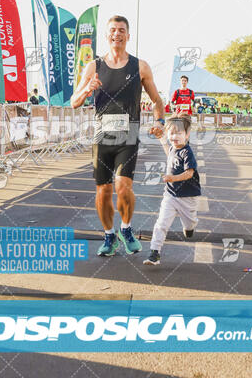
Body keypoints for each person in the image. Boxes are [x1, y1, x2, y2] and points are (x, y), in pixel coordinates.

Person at [71, 15, 165, 257]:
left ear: (128, 35)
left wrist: (159, 121)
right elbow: (74, 102)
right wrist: (86, 89)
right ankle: (109, 235)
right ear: (107, 35)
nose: (117, 34)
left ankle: (126, 228)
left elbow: (157, 100)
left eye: (121, 30)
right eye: (113, 30)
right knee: (102, 190)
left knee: (123, 186)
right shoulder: (93, 67)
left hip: (129, 135)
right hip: (102, 137)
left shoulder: (140, 66)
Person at [144, 114, 201, 266]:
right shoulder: (173, 149)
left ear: (187, 135)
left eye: (179, 133)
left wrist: (172, 178)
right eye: (171, 133)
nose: (174, 137)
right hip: (170, 195)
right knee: (161, 223)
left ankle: (189, 228)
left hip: (188, 197)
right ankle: (154, 252)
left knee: (190, 222)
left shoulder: (186, 152)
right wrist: (160, 136)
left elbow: (189, 173)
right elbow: (167, 148)